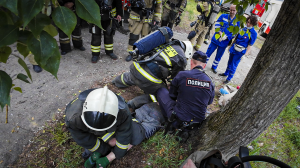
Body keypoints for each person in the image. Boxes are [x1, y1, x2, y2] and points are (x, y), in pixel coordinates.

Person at [64, 86, 165, 168]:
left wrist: (115, 151)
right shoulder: (73, 117)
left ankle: (100, 156)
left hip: (132, 121)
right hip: (148, 116)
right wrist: (105, 150)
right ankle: (102, 155)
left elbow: (124, 135)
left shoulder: (122, 112)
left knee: (134, 137)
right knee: (136, 136)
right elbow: (84, 139)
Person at [156, 51, 215, 133]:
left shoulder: (182, 75)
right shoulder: (210, 82)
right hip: (196, 125)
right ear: (204, 66)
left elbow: (172, 95)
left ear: (191, 62)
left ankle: (167, 119)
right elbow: (209, 102)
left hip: (178, 121)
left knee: (161, 91)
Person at [112, 38, 193, 96]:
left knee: (130, 77)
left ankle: (114, 82)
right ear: (187, 53)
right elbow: (174, 80)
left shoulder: (168, 43)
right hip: (148, 78)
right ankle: (136, 104)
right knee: (161, 93)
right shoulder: (182, 58)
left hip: (137, 67)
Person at [219, 15, 257, 84]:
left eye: (250, 23)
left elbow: (250, 45)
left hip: (240, 51)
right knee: (229, 62)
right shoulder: (243, 29)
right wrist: (231, 46)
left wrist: (245, 54)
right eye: (247, 22)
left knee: (234, 65)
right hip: (234, 48)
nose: (248, 24)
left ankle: (229, 78)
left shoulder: (253, 33)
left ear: (253, 24)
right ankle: (226, 73)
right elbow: (236, 37)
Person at [206, 5, 239, 74]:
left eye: (233, 10)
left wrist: (227, 37)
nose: (232, 12)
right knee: (208, 53)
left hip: (224, 42)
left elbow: (235, 32)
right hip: (216, 39)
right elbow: (217, 25)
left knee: (219, 56)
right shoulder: (223, 16)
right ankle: (203, 64)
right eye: (231, 10)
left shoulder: (237, 21)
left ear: (236, 11)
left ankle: (214, 67)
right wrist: (220, 33)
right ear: (229, 9)